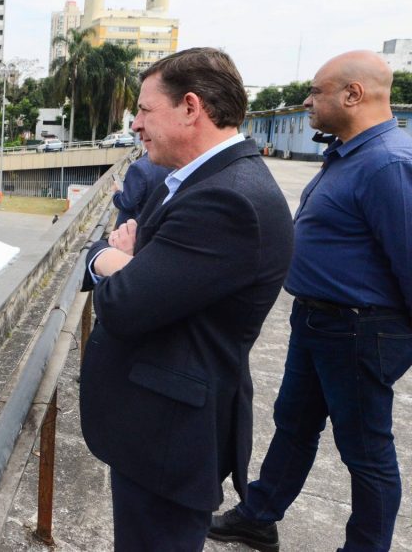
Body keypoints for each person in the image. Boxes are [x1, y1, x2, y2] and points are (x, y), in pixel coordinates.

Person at [79, 48, 294, 550]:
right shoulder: (200, 181)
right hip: (158, 426)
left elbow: (125, 303)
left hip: (170, 437)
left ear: (191, 108)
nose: (135, 124)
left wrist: (107, 259)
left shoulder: (228, 199)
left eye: (145, 110)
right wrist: (133, 266)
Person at [209, 51, 412, 552]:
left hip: (359, 328)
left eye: (317, 91)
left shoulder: (389, 163)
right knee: (293, 423)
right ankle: (259, 516)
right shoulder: (349, 152)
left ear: (353, 94)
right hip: (319, 321)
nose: (307, 100)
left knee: (365, 450)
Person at [112, 152, 173, 226]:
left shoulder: (137, 168)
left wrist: (116, 193)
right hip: (159, 221)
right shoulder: (171, 162)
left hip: (136, 225)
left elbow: (127, 203)